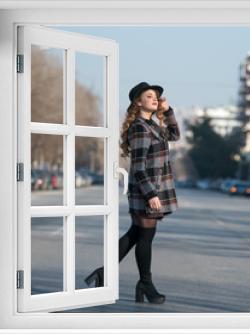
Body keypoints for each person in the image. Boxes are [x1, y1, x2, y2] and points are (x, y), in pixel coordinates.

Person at [84, 81, 180, 304]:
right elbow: (137, 166)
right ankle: (145, 284)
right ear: (138, 102)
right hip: (146, 192)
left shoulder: (154, 126)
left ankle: (103, 273)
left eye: (156, 96)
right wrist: (151, 195)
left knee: (136, 235)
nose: (155, 99)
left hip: (150, 190)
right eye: (149, 96)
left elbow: (174, 135)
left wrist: (168, 111)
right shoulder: (139, 128)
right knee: (145, 237)